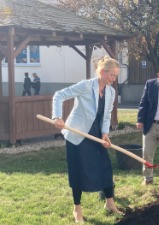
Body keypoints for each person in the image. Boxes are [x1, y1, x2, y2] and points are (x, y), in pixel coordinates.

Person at [52, 56, 122, 222]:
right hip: (78, 134)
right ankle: (77, 209)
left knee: (105, 166)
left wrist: (105, 133)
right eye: (112, 75)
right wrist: (57, 117)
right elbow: (59, 95)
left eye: (115, 76)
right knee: (78, 170)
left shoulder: (111, 92)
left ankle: (110, 203)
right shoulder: (86, 86)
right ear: (103, 72)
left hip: (97, 135)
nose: (114, 79)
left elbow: (106, 116)